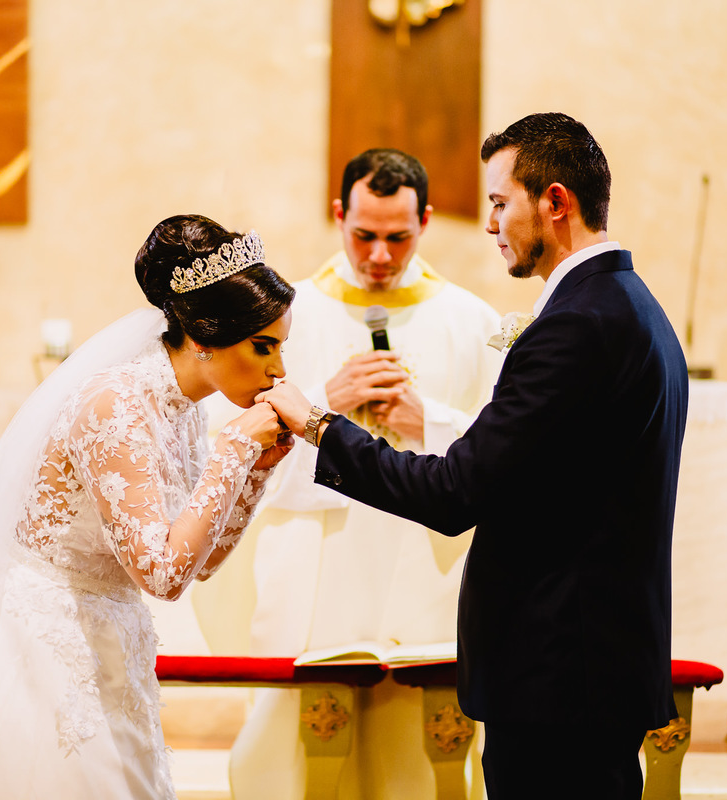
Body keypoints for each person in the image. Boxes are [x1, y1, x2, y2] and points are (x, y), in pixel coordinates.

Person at [260, 113, 690, 799]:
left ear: (554, 202)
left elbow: (457, 492)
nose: (490, 224)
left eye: (498, 202)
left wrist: (319, 425)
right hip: (588, 664)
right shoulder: (631, 306)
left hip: (558, 674)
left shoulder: (574, 326)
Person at [0, 215, 295, 799]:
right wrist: (233, 452)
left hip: (114, 637)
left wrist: (252, 473)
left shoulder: (186, 409)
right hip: (47, 641)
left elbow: (200, 559)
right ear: (204, 336)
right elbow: (163, 575)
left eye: (281, 346)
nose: (280, 369)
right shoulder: (115, 406)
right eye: (264, 347)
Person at [227, 149, 502, 800]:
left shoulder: (474, 323)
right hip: (319, 572)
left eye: (398, 237)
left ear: (427, 222)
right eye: (364, 235)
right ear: (337, 216)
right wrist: (326, 407)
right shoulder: (282, 321)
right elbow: (240, 455)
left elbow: (506, 457)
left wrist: (425, 421)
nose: (380, 254)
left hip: (426, 574)